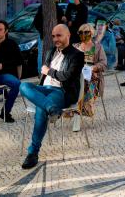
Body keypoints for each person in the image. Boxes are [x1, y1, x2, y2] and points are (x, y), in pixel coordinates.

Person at [20, 24, 84, 169]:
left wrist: (49, 71)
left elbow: (67, 77)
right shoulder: (50, 51)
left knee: (41, 108)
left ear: (68, 35)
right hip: (44, 89)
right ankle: (52, 108)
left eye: (59, 35)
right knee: (23, 86)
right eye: (53, 36)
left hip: (60, 91)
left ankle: (32, 153)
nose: (55, 39)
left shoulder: (77, 55)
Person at [73, 23, 107, 118]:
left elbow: (103, 63)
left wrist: (93, 68)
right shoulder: (75, 47)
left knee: (86, 84)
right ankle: (71, 107)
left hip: (93, 78)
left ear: (91, 33)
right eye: (80, 32)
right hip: (76, 77)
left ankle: (84, 108)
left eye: (86, 32)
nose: (83, 34)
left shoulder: (97, 47)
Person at [34, 0, 65, 71]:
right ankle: (47, 70)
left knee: (42, 54)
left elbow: (36, 22)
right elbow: (62, 22)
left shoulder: (42, 7)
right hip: (54, 35)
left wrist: (41, 30)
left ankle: (40, 71)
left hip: (44, 35)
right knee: (54, 54)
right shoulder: (58, 8)